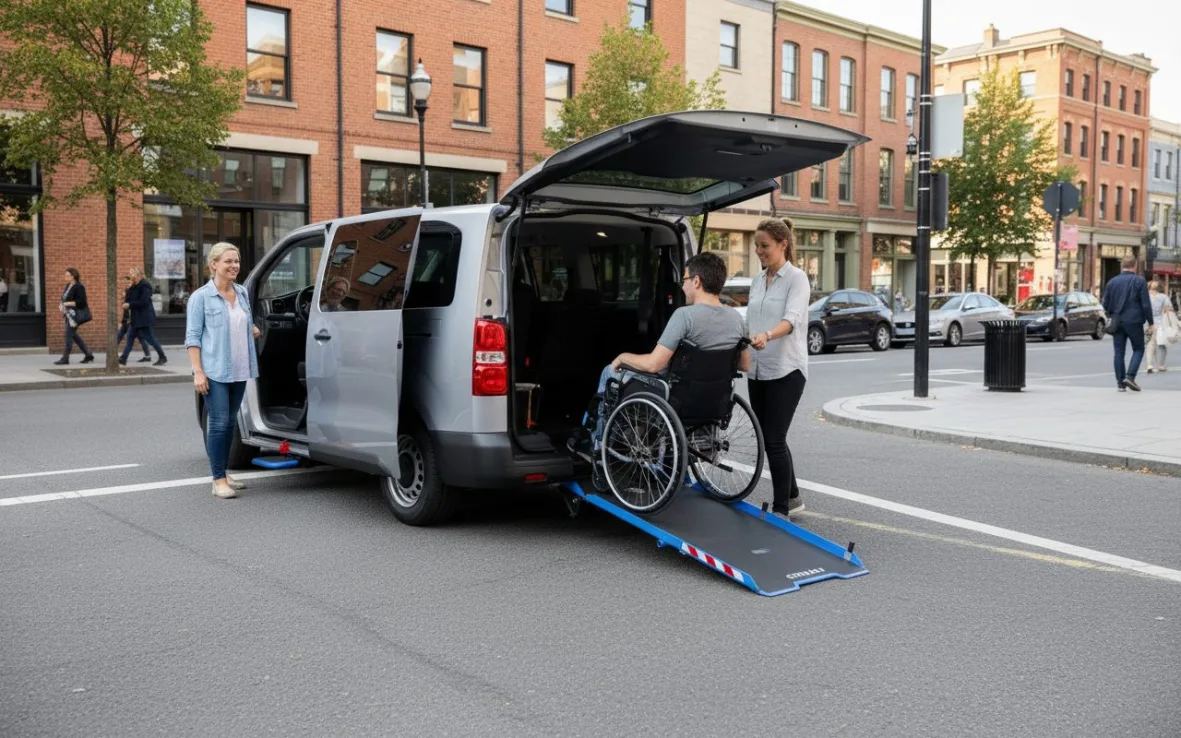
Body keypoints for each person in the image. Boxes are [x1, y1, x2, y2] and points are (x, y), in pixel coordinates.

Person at [577, 251, 750, 452]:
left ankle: (596, 441)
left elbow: (654, 364)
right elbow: (744, 364)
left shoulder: (685, 316)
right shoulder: (736, 319)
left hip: (677, 397)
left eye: (684, 279)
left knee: (610, 372)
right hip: (715, 401)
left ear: (696, 281)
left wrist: (622, 357)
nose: (682, 286)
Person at [186, 243, 261, 499]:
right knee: (218, 425)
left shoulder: (241, 293)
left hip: (240, 368)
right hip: (214, 370)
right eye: (228, 261)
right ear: (214, 264)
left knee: (230, 424)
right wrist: (197, 371)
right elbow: (193, 337)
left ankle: (224, 473)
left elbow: (242, 322)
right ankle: (218, 480)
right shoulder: (201, 297)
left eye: (237, 261)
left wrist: (251, 330)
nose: (234, 266)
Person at [746, 218, 810, 518]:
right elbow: (750, 322)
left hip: (787, 369)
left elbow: (792, 319)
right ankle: (794, 496)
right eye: (756, 245)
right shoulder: (757, 281)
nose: (759, 251)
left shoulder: (797, 279)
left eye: (765, 246)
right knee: (770, 437)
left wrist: (767, 335)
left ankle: (782, 510)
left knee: (774, 438)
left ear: (782, 244)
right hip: (758, 369)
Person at [1101, 255, 1153, 392]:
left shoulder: (1112, 282)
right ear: (1134, 266)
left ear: (1122, 266)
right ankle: (1130, 376)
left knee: (1118, 352)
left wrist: (1111, 315)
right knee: (1139, 348)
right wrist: (1151, 322)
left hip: (1117, 321)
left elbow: (1105, 304)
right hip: (1134, 321)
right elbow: (1146, 304)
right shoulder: (1139, 281)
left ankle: (1120, 383)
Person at [120, 267, 167, 366]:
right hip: (135, 318)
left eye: (132, 273)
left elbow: (143, 302)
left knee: (150, 339)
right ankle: (123, 358)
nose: (130, 276)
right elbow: (128, 301)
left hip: (144, 318)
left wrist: (130, 305)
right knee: (130, 337)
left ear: (139, 275)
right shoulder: (132, 287)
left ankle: (162, 357)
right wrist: (126, 294)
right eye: (130, 273)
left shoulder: (145, 286)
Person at [54, 267, 94, 365]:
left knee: (68, 336)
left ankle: (65, 359)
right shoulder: (68, 286)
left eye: (67, 275)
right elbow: (64, 298)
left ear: (73, 276)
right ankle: (88, 354)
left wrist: (67, 304)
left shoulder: (79, 287)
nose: (65, 277)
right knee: (74, 336)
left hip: (75, 316)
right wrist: (62, 304)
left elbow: (82, 302)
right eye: (65, 275)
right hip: (69, 315)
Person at [117, 277, 153, 363]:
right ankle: (115, 354)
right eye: (127, 283)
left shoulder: (136, 290)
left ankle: (123, 357)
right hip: (128, 319)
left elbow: (137, 304)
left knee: (139, 337)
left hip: (134, 319)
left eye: (129, 282)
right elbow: (125, 308)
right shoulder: (127, 291)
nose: (128, 284)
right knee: (120, 335)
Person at [1146, 280, 1175, 373]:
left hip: (1148, 323)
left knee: (1150, 344)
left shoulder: (1145, 296)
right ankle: (1161, 365)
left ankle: (1149, 365)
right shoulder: (1163, 297)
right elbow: (1169, 308)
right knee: (1161, 344)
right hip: (1161, 323)